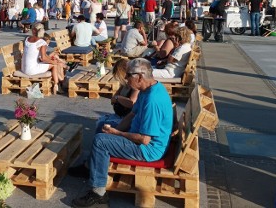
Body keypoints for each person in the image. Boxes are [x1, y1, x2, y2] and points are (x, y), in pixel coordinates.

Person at [70, 58, 173, 207]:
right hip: (140, 136)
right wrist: (115, 130)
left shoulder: (153, 100)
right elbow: (132, 115)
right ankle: (89, 167)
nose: (126, 78)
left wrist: (117, 134)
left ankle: (98, 192)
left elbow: (144, 139)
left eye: (128, 75)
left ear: (139, 77)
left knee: (101, 141)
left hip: (148, 150)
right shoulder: (148, 88)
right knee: (102, 127)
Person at [94, 58, 139, 133]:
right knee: (100, 121)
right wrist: (116, 98)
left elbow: (132, 103)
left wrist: (118, 98)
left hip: (128, 118)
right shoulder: (124, 84)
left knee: (101, 126)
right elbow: (114, 97)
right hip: (120, 115)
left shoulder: (135, 87)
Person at [22, 23, 65, 94]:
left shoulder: (27, 39)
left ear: (33, 30)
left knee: (53, 63)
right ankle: (57, 85)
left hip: (24, 68)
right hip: (31, 70)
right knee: (54, 65)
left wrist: (51, 60)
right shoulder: (41, 42)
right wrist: (53, 62)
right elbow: (44, 58)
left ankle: (61, 82)